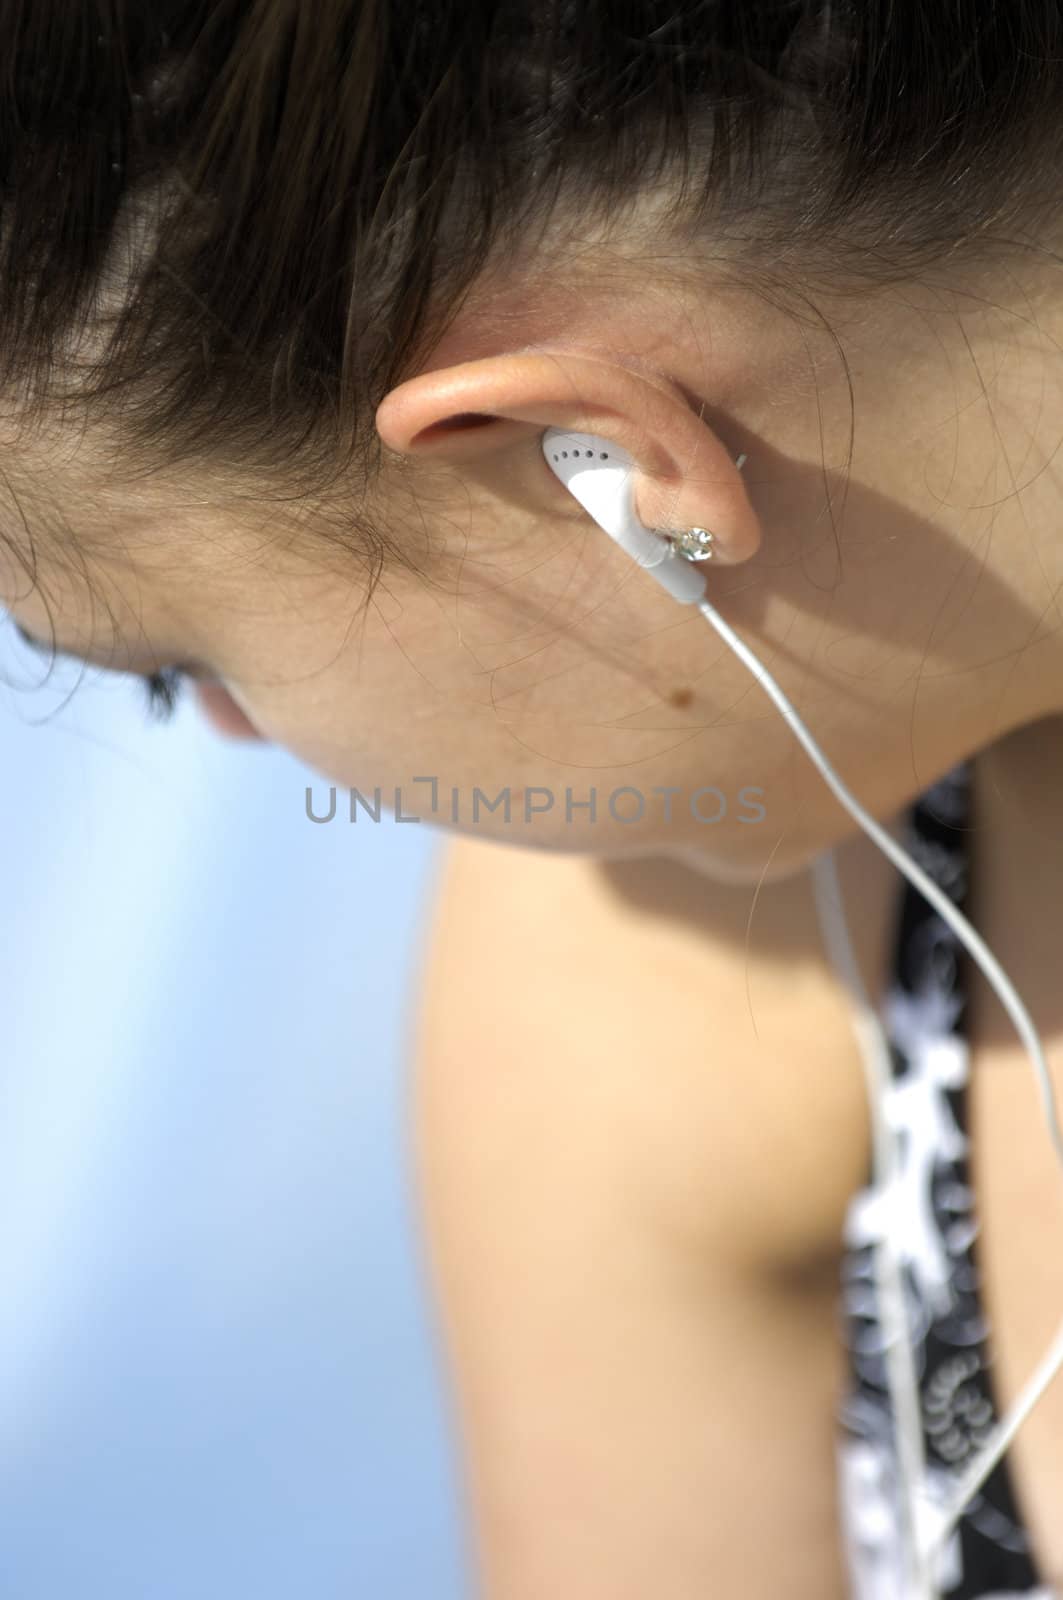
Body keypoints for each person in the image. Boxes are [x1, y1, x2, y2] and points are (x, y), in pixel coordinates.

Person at [3, 4, 1063, 1594]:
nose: (230, 740)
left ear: (601, 464)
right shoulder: (673, 955)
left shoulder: (725, 943)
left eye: (174, 663)